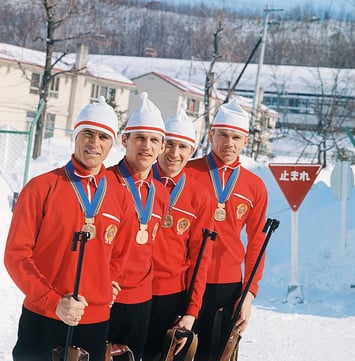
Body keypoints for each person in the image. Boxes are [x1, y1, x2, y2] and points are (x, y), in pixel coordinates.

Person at [4, 96, 136, 361]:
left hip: (94, 322)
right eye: (87, 133)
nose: (94, 144)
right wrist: (54, 302)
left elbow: (122, 252)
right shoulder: (41, 188)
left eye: (103, 137)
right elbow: (16, 255)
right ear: (75, 135)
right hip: (42, 316)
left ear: (112, 143)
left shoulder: (120, 196)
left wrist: (105, 283)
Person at [185, 98, 268, 360]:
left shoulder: (255, 186)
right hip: (185, 279)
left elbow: (257, 242)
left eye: (235, 137)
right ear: (211, 135)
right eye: (222, 135)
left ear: (245, 141)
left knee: (219, 355)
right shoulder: (187, 173)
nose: (228, 142)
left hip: (227, 285)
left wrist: (248, 294)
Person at [143, 105, 214, 360]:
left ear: (191, 151)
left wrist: (192, 311)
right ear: (160, 145)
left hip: (171, 298)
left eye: (182, 147)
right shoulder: (138, 181)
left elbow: (200, 258)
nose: (174, 153)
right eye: (169, 144)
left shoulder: (201, 196)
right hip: (130, 293)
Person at [107, 92, 170, 361]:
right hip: (105, 296)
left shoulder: (161, 193)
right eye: (140, 138)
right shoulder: (105, 183)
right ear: (125, 140)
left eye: (154, 140)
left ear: (162, 147)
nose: (146, 146)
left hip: (141, 299)